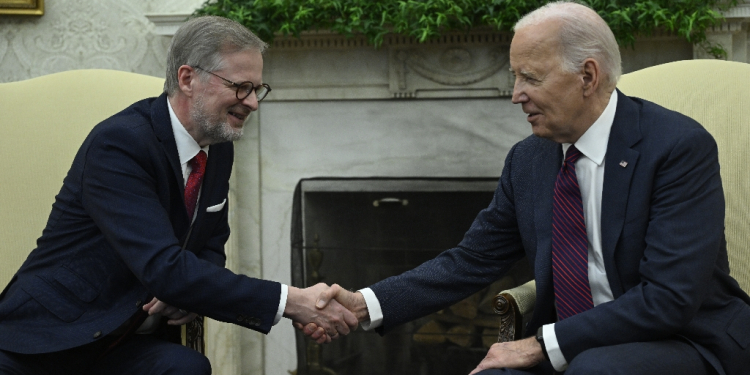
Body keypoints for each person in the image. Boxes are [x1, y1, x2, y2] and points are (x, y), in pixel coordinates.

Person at [307, 2, 750, 374]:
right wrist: (367, 304)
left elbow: (669, 299)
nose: (516, 94)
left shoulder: (676, 148)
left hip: (685, 341)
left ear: (588, 76)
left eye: (531, 78)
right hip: (574, 345)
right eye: (515, 77)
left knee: (596, 368)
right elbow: (471, 260)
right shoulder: (530, 158)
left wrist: (539, 345)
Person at [0, 16, 356, 374]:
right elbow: (163, 266)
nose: (252, 103)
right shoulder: (120, 144)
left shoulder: (217, 147)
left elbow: (212, 242)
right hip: (46, 338)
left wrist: (189, 296)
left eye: (258, 89)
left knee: (188, 368)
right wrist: (291, 301)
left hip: (121, 340)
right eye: (241, 87)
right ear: (188, 79)